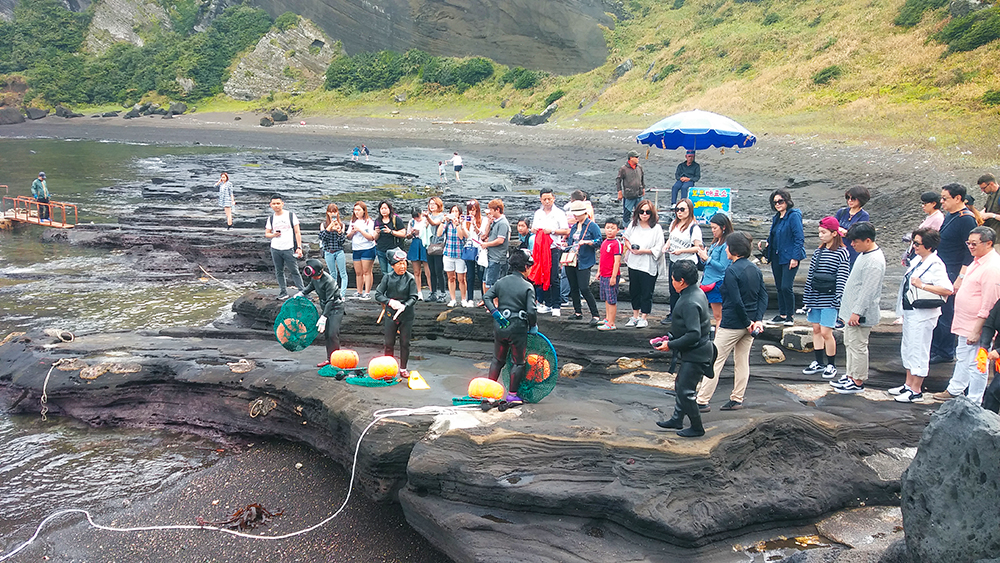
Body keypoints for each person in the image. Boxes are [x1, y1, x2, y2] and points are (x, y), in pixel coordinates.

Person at [696, 231, 767, 411]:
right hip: (750, 323)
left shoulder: (732, 271)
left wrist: (745, 322)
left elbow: (735, 300)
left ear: (733, 250)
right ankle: (737, 398)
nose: (726, 249)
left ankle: (702, 400)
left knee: (715, 360)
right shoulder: (754, 269)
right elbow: (763, 296)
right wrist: (756, 320)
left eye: (727, 247)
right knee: (742, 361)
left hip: (733, 323)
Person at [932, 226, 1000, 404]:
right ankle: (955, 388)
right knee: (963, 356)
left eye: (974, 243)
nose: (970, 247)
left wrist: (978, 329)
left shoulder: (993, 267)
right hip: (964, 321)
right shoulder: (977, 260)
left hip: (977, 325)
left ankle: (974, 400)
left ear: (989, 243)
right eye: (968, 243)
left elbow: (989, 303)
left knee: (978, 363)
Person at [889, 228, 952, 403]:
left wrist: (922, 285)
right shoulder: (919, 259)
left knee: (919, 349)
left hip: (924, 313)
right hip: (911, 311)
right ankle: (908, 384)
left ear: (929, 246)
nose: (914, 246)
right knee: (908, 347)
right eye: (913, 242)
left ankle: (916, 389)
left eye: (917, 243)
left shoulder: (936, 264)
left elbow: (948, 289)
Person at [654, 261, 714, 437]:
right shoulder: (695, 292)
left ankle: (697, 427)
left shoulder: (689, 300)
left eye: (673, 279)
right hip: (696, 350)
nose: (672, 282)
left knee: (685, 391)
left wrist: (670, 344)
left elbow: (694, 333)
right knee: (681, 385)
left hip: (698, 352)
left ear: (681, 281)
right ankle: (677, 418)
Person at [830, 222, 886, 394]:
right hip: (850, 311)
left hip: (860, 314)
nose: (852, 245)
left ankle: (858, 381)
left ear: (867, 240)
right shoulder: (864, 254)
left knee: (858, 346)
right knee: (850, 343)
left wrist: (856, 312)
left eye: (855, 241)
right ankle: (850, 375)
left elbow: (868, 291)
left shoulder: (874, 261)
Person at [929, 183, 977, 364]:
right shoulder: (951, 216)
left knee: (947, 313)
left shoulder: (966, 219)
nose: (942, 202)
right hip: (943, 267)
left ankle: (945, 351)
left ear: (958, 198)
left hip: (954, 270)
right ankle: (937, 347)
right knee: (940, 311)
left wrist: (961, 278)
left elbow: (969, 252)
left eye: (945, 198)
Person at [483, 251, 538, 405]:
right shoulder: (527, 286)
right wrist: (533, 325)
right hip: (518, 328)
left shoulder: (501, 282)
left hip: (500, 325)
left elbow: (486, 297)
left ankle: (489, 394)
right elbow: (531, 311)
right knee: (518, 362)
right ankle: (512, 395)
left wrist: (495, 313)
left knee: (497, 359)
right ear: (526, 267)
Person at [801, 216, 851, 379]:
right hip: (815, 297)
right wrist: (807, 298)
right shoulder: (818, 252)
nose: (821, 235)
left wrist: (838, 300)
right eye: (820, 232)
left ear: (834, 233)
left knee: (826, 331)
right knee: (815, 330)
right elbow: (810, 276)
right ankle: (818, 362)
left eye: (824, 232)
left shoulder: (842, 253)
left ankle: (831, 364)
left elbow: (842, 277)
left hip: (830, 299)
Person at [760, 188, 805, 326]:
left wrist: (795, 257)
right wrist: (767, 244)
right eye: (775, 202)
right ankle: (782, 313)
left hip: (789, 256)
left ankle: (790, 316)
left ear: (787, 200)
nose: (778, 204)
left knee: (786, 286)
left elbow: (799, 237)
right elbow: (773, 235)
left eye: (780, 201)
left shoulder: (794, 215)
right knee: (779, 286)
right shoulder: (776, 218)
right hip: (777, 255)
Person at [374, 248, 419, 374]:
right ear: (393, 265)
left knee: (405, 342)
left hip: (406, 314)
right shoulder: (387, 278)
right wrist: (389, 301)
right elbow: (378, 294)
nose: (402, 266)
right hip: (391, 313)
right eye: (399, 264)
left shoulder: (410, 278)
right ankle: (389, 368)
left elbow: (414, 296)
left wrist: (405, 305)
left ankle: (403, 368)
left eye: (404, 263)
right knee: (389, 342)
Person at [621, 200, 665, 328]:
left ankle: (644, 316)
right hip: (634, 263)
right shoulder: (633, 225)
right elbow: (626, 238)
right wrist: (631, 249)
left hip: (648, 264)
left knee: (647, 292)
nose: (644, 214)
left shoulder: (656, 228)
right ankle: (635, 315)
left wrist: (643, 251)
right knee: (634, 290)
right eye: (641, 212)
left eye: (647, 212)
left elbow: (659, 247)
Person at [294, 259, 345, 368]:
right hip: (325, 308)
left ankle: (336, 362)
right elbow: (310, 286)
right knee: (327, 335)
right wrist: (301, 293)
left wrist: (324, 317)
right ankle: (329, 359)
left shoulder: (329, 281)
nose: (313, 278)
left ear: (320, 272)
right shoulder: (314, 279)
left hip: (335, 308)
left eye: (314, 276)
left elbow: (330, 300)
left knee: (332, 334)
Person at [529, 188, 570, 317]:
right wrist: (534, 230)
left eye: (549, 199)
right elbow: (533, 229)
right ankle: (546, 303)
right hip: (540, 249)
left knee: (553, 277)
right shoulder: (538, 213)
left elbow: (566, 231)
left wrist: (552, 231)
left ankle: (556, 305)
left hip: (553, 248)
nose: (547, 201)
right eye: (544, 199)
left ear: (554, 199)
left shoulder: (559, 213)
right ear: (541, 199)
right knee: (541, 275)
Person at [662, 198, 703, 324]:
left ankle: (687, 315)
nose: (679, 212)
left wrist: (682, 250)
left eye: (682, 209)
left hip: (687, 262)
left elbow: (698, 247)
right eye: (677, 210)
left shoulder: (694, 228)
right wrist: (666, 245)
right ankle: (674, 313)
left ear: (689, 210)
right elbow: (671, 238)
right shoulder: (674, 224)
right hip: (674, 260)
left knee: (686, 290)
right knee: (673, 289)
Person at [565, 200, 603, 325]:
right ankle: (577, 312)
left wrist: (587, 242)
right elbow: (571, 241)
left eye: (577, 214)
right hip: (572, 259)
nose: (575, 216)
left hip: (585, 260)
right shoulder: (575, 226)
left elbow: (599, 241)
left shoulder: (592, 226)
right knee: (573, 287)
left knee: (584, 287)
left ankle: (595, 314)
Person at [696, 213, 734, 332]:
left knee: (719, 316)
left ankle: (718, 343)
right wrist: (703, 258)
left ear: (723, 227)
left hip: (717, 283)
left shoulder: (726, 245)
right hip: (707, 282)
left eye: (714, 228)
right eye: (711, 228)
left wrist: (707, 259)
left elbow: (723, 266)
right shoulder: (715, 243)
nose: (712, 231)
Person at [264, 194, 304, 300]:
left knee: (294, 270)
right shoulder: (271, 218)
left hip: (289, 247)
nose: (276, 206)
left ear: (282, 204)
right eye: (274, 204)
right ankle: (283, 292)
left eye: (278, 203)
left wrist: (299, 247)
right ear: (270, 205)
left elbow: (297, 232)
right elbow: (267, 234)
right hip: (275, 248)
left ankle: (303, 292)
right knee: (279, 271)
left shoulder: (291, 215)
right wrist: (273, 235)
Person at [597, 218, 624, 331]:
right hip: (604, 274)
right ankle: (608, 318)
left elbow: (617, 261)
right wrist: (599, 271)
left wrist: (613, 277)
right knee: (606, 298)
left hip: (610, 275)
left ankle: (612, 323)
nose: (609, 230)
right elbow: (602, 258)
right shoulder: (604, 242)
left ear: (617, 230)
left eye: (612, 228)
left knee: (611, 299)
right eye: (608, 228)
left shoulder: (616, 243)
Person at [835, 186, 872, 267]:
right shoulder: (841, 212)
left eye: (853, 198)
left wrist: (846, 233)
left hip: (851, 252)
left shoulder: (863, 215)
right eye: (848, 198)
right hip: (837, 250)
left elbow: (860, 233)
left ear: (861, 199)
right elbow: (832, 226)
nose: (850, 201)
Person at [346, 201, 376, 299]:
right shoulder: (353, 222)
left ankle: (367, 292)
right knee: (358, 272)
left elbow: (371, 237)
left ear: (364, 211)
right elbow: (348, 236)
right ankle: (359, 291)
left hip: (367, 248)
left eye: (359, 210)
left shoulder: (369, 222)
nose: (356, 212)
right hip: (356, 248)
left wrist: (360, 230)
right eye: (355, 210)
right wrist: (353, 231)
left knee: (367, 271)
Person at [318, 203, 348, 300]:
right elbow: (322, 238)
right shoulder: (323, 225)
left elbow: (342, 241)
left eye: (334, 211)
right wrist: (330, 227)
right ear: (327, 213)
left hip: (339, 251)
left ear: (337, 212)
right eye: (330, 212)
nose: (332, 214)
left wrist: (339, 232)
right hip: (328, 251)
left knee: (343, 273)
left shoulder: (342, 225)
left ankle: (342, 295)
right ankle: (334, 293)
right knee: (332, 274)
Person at [460, 199, 487, 307]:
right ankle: (470, 298)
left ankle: (483, 298)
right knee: (470, 275)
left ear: (477, 210)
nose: (471, 213)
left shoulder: (483, 220)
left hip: (480, 250)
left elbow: (482, 234)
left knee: (481, 275)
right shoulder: (466, 222)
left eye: (473, 210)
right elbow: (466, 236)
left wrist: (474, 225)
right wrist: (462, 225)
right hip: (469, 249)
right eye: (470, 210)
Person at [440, 204, 468, 307]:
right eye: (453, 211)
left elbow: (462, 237)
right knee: (451, 277)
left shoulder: (462, 224)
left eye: (456, 211)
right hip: (448, 253)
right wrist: (443, 221)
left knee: (461, 278)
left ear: (460, 214)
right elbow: (439, 234)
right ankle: (453, 299)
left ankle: (463, 299)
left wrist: (457, 225)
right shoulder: (447, 224)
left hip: (460, 254)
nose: (454, 213)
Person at [482, 199, 511, 293]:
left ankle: (495, 305)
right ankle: (489, 304)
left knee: (493, 284)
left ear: (497, 210)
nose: (489, 211)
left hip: (497, 258)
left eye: (491, 209)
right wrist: (489, 223)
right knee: (487, 281)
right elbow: (485, 236)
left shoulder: (503, 223)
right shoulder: (495, 222)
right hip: (491, 256)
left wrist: (487, 244)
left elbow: (500, 240)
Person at [373, 201, 407, 277]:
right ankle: (387, 288)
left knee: (391, 271)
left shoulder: (396, 220)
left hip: (393, 250)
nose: (383, 210)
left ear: (389, 209)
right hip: (381, 250)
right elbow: (374, 238)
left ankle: (393, 288)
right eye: (382, 208)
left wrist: (391, 232)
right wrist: (377, 232)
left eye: (385, 208)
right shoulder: (377, 221)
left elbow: (403, 233)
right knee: (384, 272)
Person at [406, 207, 431, 300]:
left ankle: (432, 291)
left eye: (418, 216)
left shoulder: (426, 220)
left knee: (428, 271)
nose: (417, 219)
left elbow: (430, 232)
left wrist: (419, 231)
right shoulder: (411, 222)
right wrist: (411, 233)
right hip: (415, 243)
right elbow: (407, 236)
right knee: (416, 271)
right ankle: (418, 292)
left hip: (424, 243)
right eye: (415, 217)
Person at [616, 149, 645, 226]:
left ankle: (639, 225)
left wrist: (643, 188)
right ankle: (626, 227)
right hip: (629, 195)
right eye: (636, 157)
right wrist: (619, 191)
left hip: (639, 193)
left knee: (641, 211)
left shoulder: (639, 167)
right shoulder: (624, 169)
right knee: (627, 212)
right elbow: (618, 180)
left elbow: (642, 178)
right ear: (631, 158)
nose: (638, 159)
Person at [426, 197, 447, 302]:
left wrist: (427, 218)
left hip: (439, 245)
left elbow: (434, 223)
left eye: (434, 204)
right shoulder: (428, 216)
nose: (432, 205)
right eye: (430, 204)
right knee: (432, 271)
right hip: (429, 246)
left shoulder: (442, 216)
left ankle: (443, 293)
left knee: (439, 270)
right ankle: (433, 292)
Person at [977, 173, 1000, 239]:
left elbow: (990, 214)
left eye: (984, 188)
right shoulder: (991, 195)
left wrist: (992, 215)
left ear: (991, 184)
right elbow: (986, 208)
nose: (982, 191)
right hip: (991, 236)